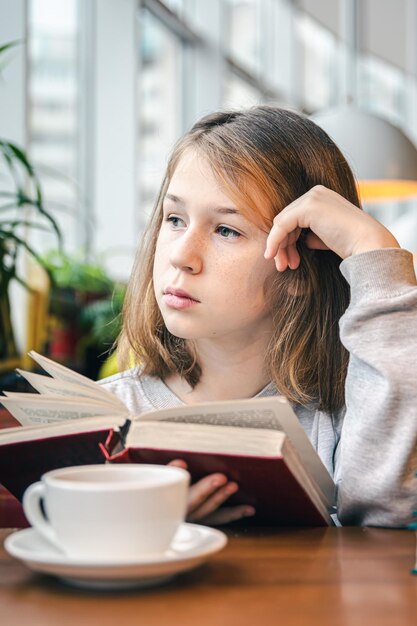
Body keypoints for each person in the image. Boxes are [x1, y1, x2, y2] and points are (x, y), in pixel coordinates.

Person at [100, 106, 417, 527]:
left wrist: (373, 250)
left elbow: (382, 523)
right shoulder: (105, 414)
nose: (180, 256)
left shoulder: (346, 418)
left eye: (226, 230)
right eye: (175, 219)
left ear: (301, 268)